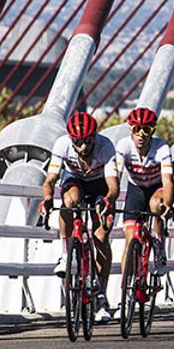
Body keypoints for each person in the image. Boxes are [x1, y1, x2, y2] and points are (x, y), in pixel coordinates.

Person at [41, 111, 120, 320]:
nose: (83, 147)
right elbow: (50, 180)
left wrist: (108, 200)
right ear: (70, 140)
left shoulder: (106, 146)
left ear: (95, 137)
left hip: (99, 184)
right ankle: (66, 252)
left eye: (88, 142)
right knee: (69, 201)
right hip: (74, 180)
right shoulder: (62, 145)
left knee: (101, 237)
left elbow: (113, 186)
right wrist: (47, 198)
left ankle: (101, 296)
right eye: (78, 142)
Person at [115, 107, 174, 277]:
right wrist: (108, 199)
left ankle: (159, 246)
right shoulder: (124, 145)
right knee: (130, 239)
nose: (141, 134)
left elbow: (168, 180)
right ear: (130, 130)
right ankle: (125, 291)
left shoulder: (161, 147)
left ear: (152, 131)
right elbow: (116, 177)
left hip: (158, 187)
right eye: (136, 129)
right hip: (137, 188)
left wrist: (168, 205)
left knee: (156, 205)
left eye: (146, 130)